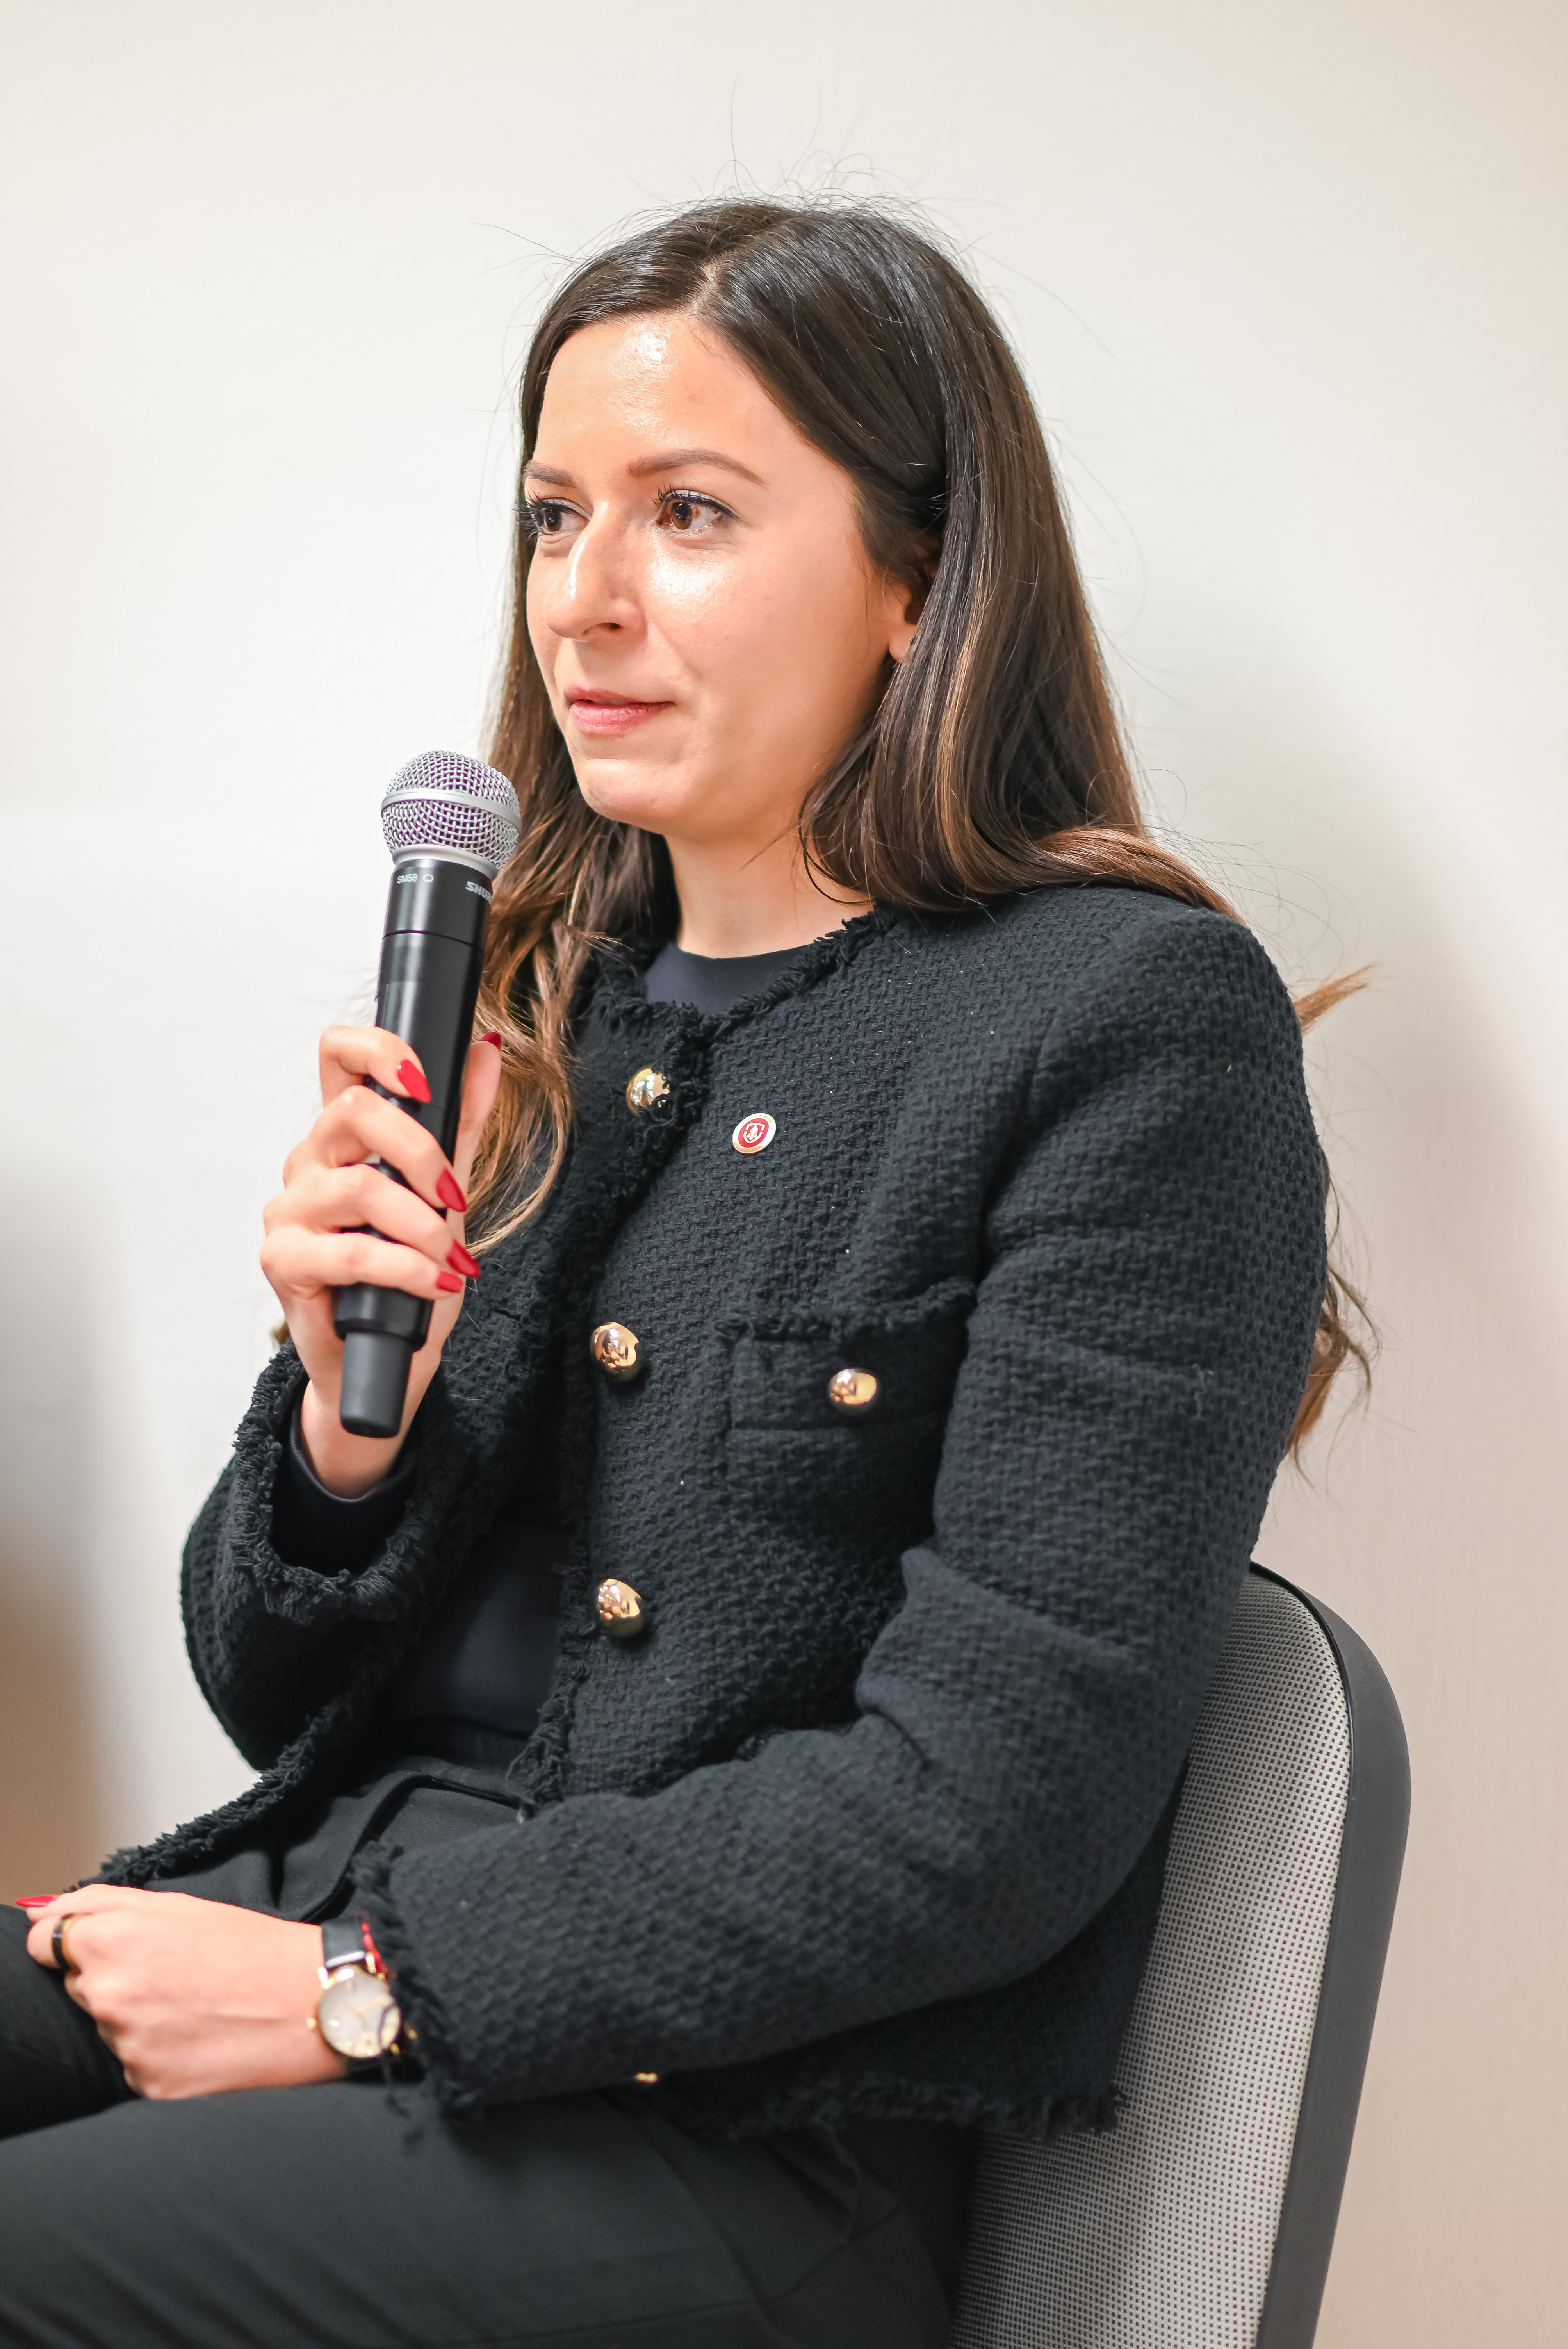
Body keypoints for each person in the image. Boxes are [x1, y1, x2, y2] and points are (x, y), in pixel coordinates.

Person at [0, 200, 1356, 2347]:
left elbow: (994, 1805)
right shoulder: (549, 1000)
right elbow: (279, 1694)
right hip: (320, 1920)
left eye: (690, 513)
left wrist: (362, 1989)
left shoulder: (1125, 1026)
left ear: (918, 579)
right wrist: (344, 1434)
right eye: (556, 515)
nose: (585, 597)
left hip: (736, 2146)